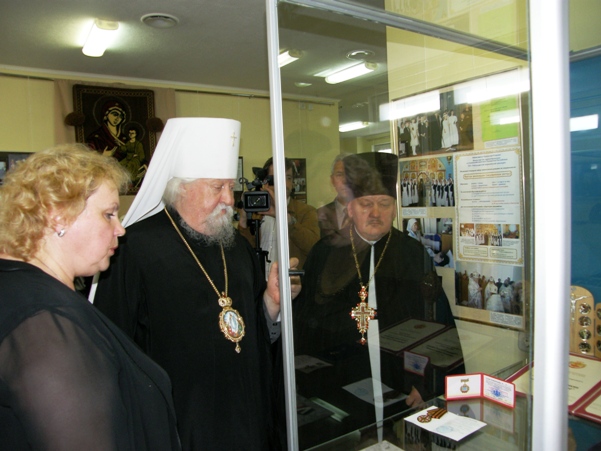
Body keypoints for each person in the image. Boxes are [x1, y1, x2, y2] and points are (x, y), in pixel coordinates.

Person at [92, 118, 300, 450]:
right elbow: (110, 353)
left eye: (230, 187)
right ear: (181, 188)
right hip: (180, 426)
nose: (229, 199)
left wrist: (271, 304)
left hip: (245, 419)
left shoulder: (238, 247)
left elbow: (250, 334)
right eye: (217, 187)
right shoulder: (132, 250)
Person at [0, 144, 180, 450]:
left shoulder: (21, 288)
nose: (120, 229)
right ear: (58, 216)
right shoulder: (45, 320)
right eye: (109, 214)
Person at [294, 152, 463, 446]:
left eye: (384, 204)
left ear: (395, 209)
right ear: (350, 208)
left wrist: (427, 383)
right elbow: (305, 326)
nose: (375, 213)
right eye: (366, 204)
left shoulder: (412, 254)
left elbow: (437, 321)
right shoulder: (325, 253)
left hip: (399, 385)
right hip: (339, 383)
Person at [238, 156, 319, 272]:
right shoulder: (256, 212)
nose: (284, 183)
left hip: (290, 281)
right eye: (277, 177)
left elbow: (314, 248)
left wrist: (286, 218)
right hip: (261, 280)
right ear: (265, 182)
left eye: (288, 178)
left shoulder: (306, 211)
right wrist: (243, 220)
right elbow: (243, 251)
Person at [317, 153, 353, 247]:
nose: (345, 180)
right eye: (339, 174)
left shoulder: (368, 213)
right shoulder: (320, 215)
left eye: (350, 174)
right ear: (332, 180)